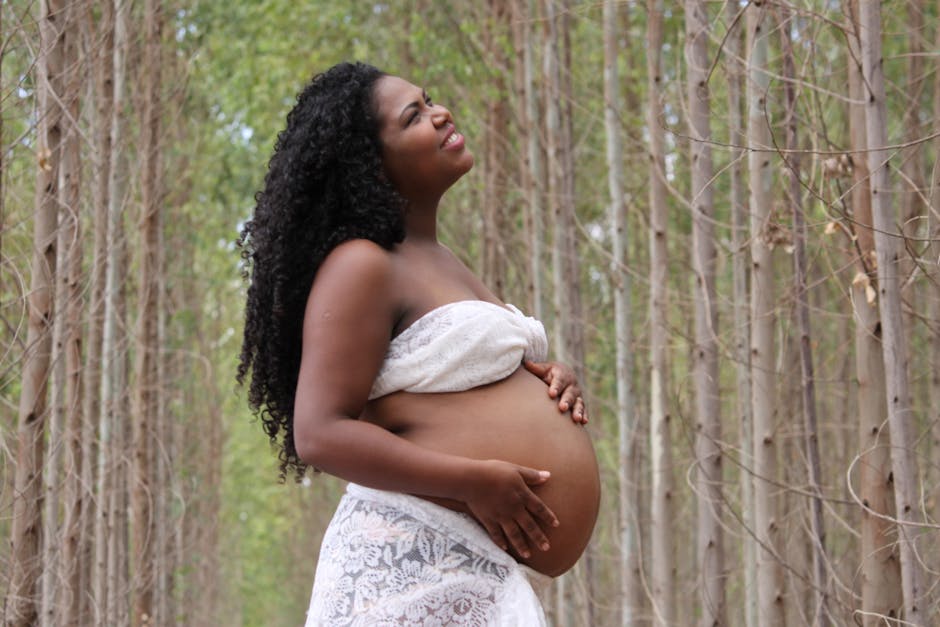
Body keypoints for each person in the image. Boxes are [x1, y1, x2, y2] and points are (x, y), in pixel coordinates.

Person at [237, 61, 600, 626]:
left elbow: (439, 379)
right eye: (414, 116)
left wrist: (550, 376)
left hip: (467, 572)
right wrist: (471, 480)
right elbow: (319, 432)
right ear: (373, 167)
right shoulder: (362, 264)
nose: (440, 113)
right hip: (406, 570)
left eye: (429, 100)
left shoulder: (438, 258)